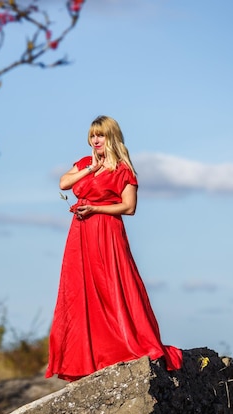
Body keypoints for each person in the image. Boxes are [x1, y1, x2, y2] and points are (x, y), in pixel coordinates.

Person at [45, 115, 182, 382]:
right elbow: (63, 183)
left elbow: (129, 208)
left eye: (101, 135)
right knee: (81, 291)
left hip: (107, 232)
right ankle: (88, 357)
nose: (96, 140)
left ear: (111, 137)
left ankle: (124, 345)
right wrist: (90, 169)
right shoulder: (85, 163)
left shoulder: (124, 170)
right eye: (93, 135)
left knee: (114, 288)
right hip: (80, 234)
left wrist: (96, 208)